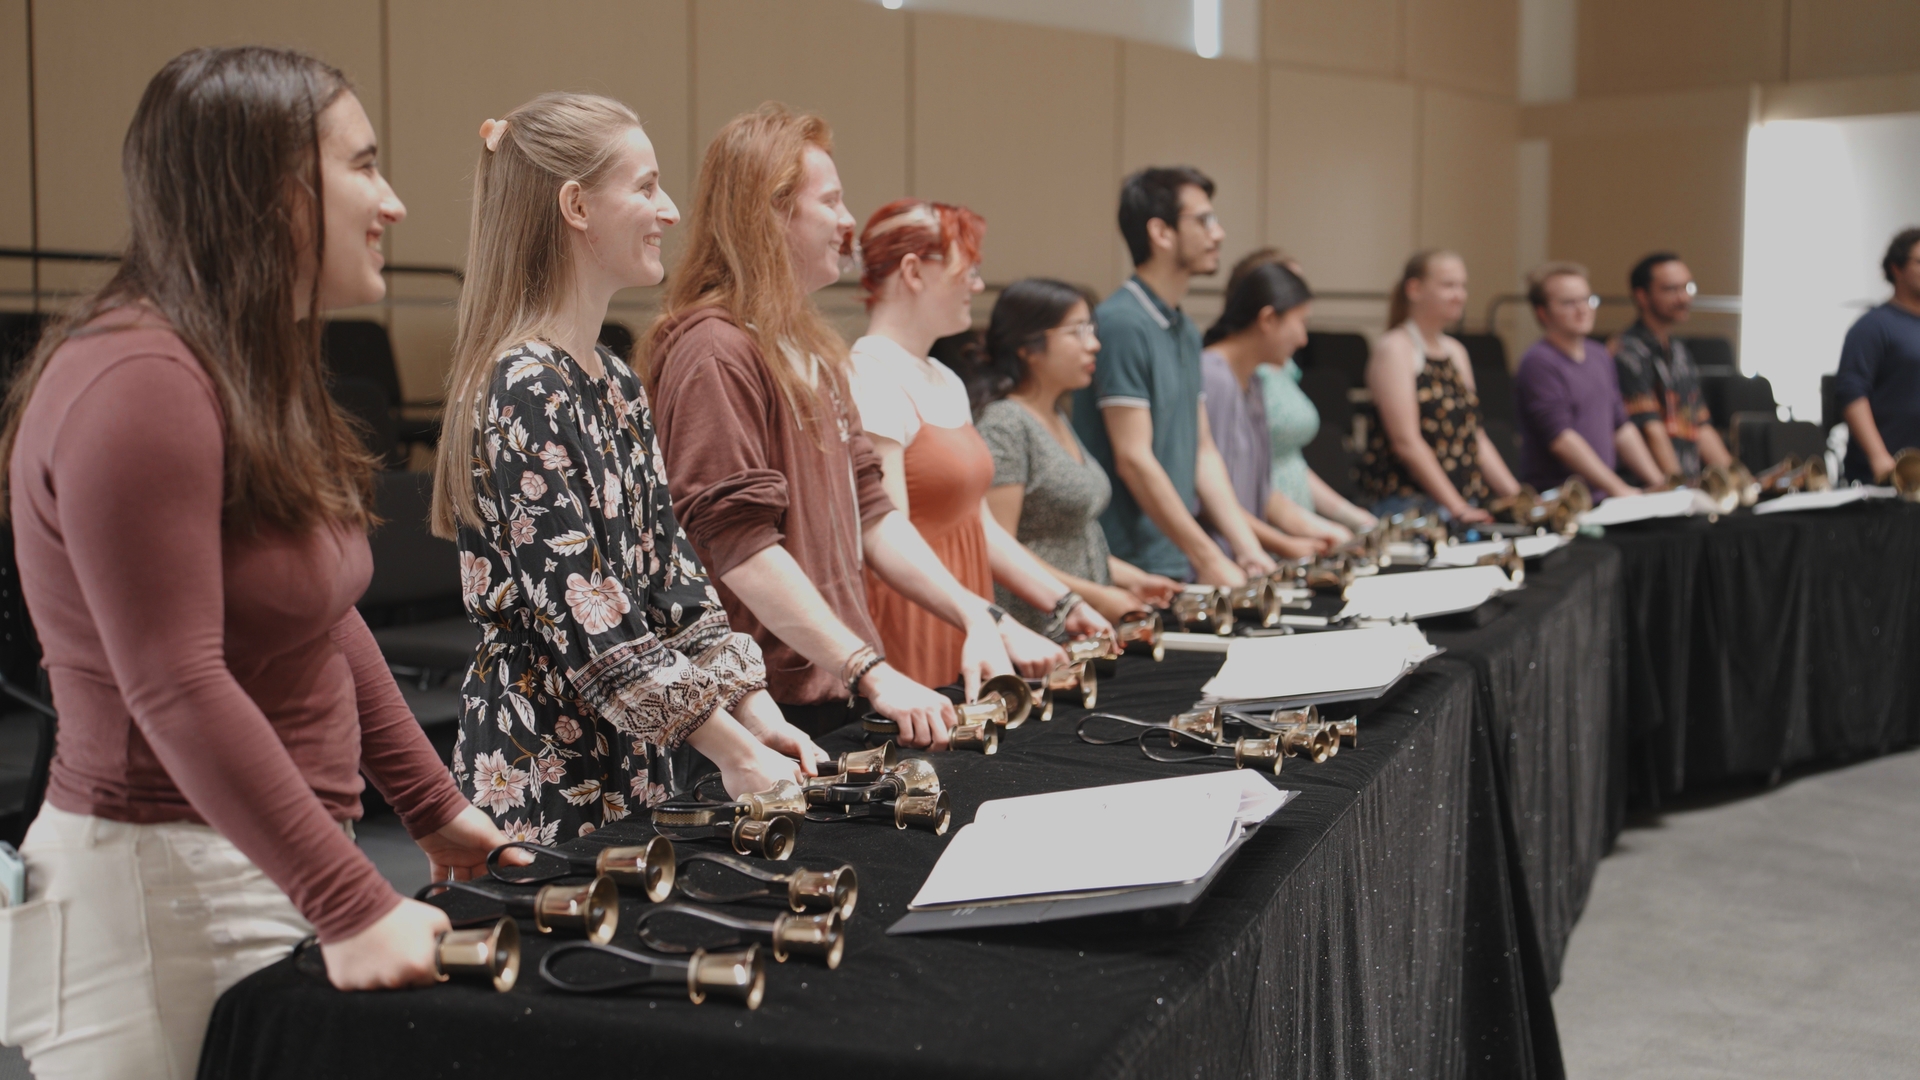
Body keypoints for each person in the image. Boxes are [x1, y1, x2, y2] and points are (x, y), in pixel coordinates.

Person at [0, 47, 513, 1076]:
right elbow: (175, 683)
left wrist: (437, 813)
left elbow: (322, 620)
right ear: (271, 189)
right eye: (363, 166)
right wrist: (352, 900)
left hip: (260, 862)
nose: (394, 202)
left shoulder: (241, 366)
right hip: (157, 894)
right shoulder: (137, 378)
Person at [430, 94, 820, 844]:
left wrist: (758, 717)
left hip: (633, 746)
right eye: (645, 187)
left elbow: (672, 580)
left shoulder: (612, 377)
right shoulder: (525, 384)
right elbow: (589, 615)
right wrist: (733, 752)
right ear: (576, 206)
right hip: (547, 760)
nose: (669, 210)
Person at [646, 104, 1014, 750]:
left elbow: (875, 513)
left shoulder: (814, 351)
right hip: (761, 709)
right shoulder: (714, 351)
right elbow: (741, 549)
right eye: (833, 201)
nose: (849, 222)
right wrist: (869, 669)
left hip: (829, 685)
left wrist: (972, 611)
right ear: (773, 211)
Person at [847, 201, 1090, 677]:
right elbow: (887, 539)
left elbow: (979, 526)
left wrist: (1064, 602)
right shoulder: (868, 378)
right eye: (969, 270)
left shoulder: (943, 377)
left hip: (969, 613)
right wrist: (995, 621)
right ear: (914, 271)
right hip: (914, 615)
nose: (977, 286)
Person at [1071, 166, 1274, 586]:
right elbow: (1134, 459)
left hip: (1169, 556)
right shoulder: (1123, 323)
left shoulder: (1184, 328)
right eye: (1203, 220)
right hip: (1126, 562)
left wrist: (1247, 549)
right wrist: (1207, 555)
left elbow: (1204, 451)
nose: (1217, 234)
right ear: (1161, 233)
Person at [959, 279, 1182, 629]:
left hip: (1077, 625)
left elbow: (1072, 542)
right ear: (1028, 347)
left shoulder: (1054, 414)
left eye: (1091, 331)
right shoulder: (1004, 423)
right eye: (1077, 332)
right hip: (1036, 628)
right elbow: (1002, 550)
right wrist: (1096, 596)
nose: (1094, 345)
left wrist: (1130, 578)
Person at [1202, 258, 1372, 555]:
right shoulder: (1212, 376)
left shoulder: (1252, 380)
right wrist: (1287, 545)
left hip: (1245, 557)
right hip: (1220, 564)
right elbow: (1209, 498)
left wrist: (1323, 529)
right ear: (1268, 319)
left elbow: (1262, 492)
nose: (1304, 339)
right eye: (1301, 323)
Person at [1358, 250, 1522, 521]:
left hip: (1460, 500)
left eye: (1462, 286)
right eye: (1448, 285)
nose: (1460, 295)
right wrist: (1458, 508)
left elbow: (1474, 435)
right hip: (1410, 506)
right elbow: (1406, 442)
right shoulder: (1394, 349)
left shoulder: (1456, 351)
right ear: (1415, 288)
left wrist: (1518, 498)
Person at [1512, 262, 1663, 497]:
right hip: (1563, 502)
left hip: (1602, 496)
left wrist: (1658, 483)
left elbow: (1621, 426)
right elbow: (1561, 439)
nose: (1582, 309)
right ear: (1542, 312)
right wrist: (1618, 488)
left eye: (1587, 299)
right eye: (1569, 303)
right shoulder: (1538, 362)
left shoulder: (1599, 354)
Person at [1613, 252, 1732, 479]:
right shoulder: (1627, 353)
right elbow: (1651, 430)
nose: (1684, 298)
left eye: (1687, 288)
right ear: (1642, 296)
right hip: (1651, 489)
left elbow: (1701, 425)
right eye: (1670, 289)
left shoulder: (1680, 351)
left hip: (1684, 485)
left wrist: (1737, 482)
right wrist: (1679, 489)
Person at [1837, 227, 1920, 483]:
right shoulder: (1873, 326)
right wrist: (1878, 457)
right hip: (1884, 477)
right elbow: (1852, 394)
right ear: (1896, 268)